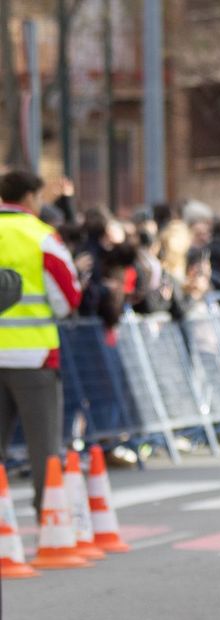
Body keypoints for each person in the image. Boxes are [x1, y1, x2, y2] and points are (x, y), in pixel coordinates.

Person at [0, 170, 81, 517]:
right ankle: (49, 518)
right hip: (33, 356)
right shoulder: (42, 236)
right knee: (43, 445)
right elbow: (68, 297)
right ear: (31, 197)